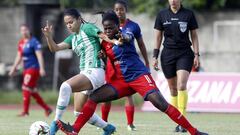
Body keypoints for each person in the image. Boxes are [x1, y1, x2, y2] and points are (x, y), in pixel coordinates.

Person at [56, 11, 208, 135]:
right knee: (94, 97)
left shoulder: (125, 34)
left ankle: (194, 132)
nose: (108, 31)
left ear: (118, 26)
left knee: (161, 104)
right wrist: (102, 56)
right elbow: (103, 55)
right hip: (121, 82)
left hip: (139, 77)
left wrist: (122, 37)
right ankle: (74, 130)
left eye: (111, 28)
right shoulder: (105, 42)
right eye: (105, 28)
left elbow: (127, 38)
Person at [41, 8, 119, 135]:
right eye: (66, 23)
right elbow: (55, 48)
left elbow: (102, 35)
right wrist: (49, 37)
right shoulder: (72, 38)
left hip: (95, 71)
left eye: (71, 22)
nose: (69, 25)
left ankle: (55, 122)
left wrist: (115, 41)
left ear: (78, 19)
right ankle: (108, 128)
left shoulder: (86, 28)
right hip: (86, 73)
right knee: (79, 112)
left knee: (65, 86)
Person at [101, 0, 149, 131]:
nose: (119, 12)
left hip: (127, 65)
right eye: (116, 10)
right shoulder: (108, 27)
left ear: (125, 10)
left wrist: (147, 61)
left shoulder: (133, 26)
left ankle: (130, 123)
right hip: (112, 65)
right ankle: (103, 123)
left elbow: (141, 44)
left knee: (128, 94)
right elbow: (104, 47)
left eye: (121, 9)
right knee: (107, 94)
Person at [152, 0, 200, 132]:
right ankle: (178, 121)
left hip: (185, 53)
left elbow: (194, 36)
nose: (173, 0)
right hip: (167, 54)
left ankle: (183, 122)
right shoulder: (162, 15)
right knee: (173, 90)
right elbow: (158, 37)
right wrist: (155, 56)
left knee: (181, 85)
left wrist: (196, 54)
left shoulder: (188, 14)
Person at [9, 24, 52, 117]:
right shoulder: (21, 42)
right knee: (32, 91)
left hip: (33, 68)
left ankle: (25, 112)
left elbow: (39, 56)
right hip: (26, 69)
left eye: (25, 30)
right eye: (22, 30)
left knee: (25, 88)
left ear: (29, 30)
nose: (24, 32)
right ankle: (47, 109)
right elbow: (19, 56)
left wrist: (42, 68)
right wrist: (13, 68)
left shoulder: (34, 42)